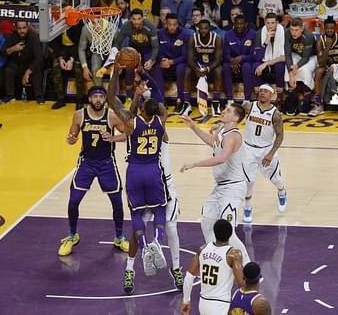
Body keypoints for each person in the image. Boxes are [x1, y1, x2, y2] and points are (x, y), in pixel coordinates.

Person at [105, 62, 168, 295]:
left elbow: (111, 96)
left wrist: (117, 73)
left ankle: (144, 248)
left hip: (134, 171)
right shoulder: (161, 118)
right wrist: (144, 73)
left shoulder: (131, 122)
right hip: (153, 170)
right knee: (160, 211)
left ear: (141, 108)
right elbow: (159, 92)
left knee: (136, 214)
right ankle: (157, 243)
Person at [57, 86, 129, 256]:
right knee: (74, 200)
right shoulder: (79, 115)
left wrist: (114, 138)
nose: (98, 99)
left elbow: (128, 133)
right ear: (89, 98)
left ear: (105, 99)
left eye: (101, 97)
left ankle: (119, 236)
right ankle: (72, 235)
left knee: (117, 202)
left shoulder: (111, 115)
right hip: (86, 163)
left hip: (106, 164)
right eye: (95, 96)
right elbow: (72, 138)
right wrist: (71, 139)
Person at [180, 103, 249, 261]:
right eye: (225, 109)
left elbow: (221, 158)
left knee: (228, 232)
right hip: (220, 187)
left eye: (228, 111)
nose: (224, 111)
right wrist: (193, 127)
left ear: (236, 118)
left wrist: (195, 164)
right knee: (207, 222)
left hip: (233, 188)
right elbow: (213, 142)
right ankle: (218, 260)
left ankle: (248, 270)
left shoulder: (233, 136)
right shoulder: (222, 130)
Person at [241, 84, 287, 223]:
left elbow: (280, 136)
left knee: (275, 179)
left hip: (266, 150)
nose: (262, 93)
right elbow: (234, 118)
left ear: (271, 95)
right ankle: (247, 208)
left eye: (265, 91)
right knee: (249, 180)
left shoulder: (276, 114)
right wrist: (220, 127)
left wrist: (271, 154)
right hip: (248, 148)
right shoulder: (248, 107)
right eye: (260, 91)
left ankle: (282, 191)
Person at [180, 219, 245, 315]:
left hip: (203, 304)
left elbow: (189, 277)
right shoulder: (234, 254)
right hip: (221, 305)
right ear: (231, 234)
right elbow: (241, 284)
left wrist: (186, 301)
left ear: (214, 232)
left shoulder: (203, 249)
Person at [184, 19, 223, 121]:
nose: (203, 31)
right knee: (187, 71)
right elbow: (190, 58)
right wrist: (196, 69)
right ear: (198, 29)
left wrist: (208, 68)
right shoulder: (193, 38)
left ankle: (216, 102)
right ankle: (187, 103)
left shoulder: (217, 39)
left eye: (205, 29)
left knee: (219, 71)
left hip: (211, 67)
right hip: (198, 66)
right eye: (201, 29)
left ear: (209, 28)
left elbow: (218, 59)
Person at [311, 16, 338, 118]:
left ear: (335, 28)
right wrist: (327, 47)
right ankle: (318, 105)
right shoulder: (320, 41)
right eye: (327, 28)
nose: (329, 30)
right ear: (324, 29)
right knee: (319, 72)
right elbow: (320, 62)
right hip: (326, 66)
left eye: (332, 28)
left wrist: (337, 66)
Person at [155, 13, 191, 114]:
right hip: (165, 62)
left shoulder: (185, 35)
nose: (172, 27)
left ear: (178, 24)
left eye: (174, 24)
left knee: (181, 69)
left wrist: (172, 62)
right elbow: (157, 51)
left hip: (179, 62)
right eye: (169, 24)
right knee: (156, 68)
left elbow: (185, 56)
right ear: (165, 24)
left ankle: (180, 101)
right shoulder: (159, 34)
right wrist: (162, 59)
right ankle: (161, 101)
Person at [1, 21, 44, 104]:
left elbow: (39, 58)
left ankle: (39, 95)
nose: (22, 31)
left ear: (27, 27)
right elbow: (3, 52)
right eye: (19, 28)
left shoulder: (33, 37)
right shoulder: (12, 36)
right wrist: (13, 48)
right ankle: (10, 95)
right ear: (15, 28)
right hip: (16, 63)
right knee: (8, 70)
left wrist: (27, 72)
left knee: (37, 69)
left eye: (24, 28)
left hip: (30, 63)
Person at [284, 18, 317, 115]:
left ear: (302, 28)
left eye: (296, 30)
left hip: (311, 57)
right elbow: (288, 55)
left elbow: (306, 58)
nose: (294, 33)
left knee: (305, 71)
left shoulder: (308, 35)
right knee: (287, 69)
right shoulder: (287, 33)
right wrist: (291, 72)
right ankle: (292, 99)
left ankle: (306, 102)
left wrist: (296, 67)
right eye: (292, 30)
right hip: (296, 55)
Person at [252, 13, 286, 108]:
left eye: (272, 23)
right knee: (255, 66)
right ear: (264, 22)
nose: (270, 26)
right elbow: (258, 57)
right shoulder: (259, 33)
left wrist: (266, 64)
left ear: (277, 23)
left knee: (280, 66)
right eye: (268, 23)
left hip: (278, 61)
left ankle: (279, 98)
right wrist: (266, 42)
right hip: (265, 61)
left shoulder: (285, 32)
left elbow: (285, 57)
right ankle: (257, 97)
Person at [222, 14, 257, 103]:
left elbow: (254, 54)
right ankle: (229, 100)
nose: (239, 26)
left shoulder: (253, 34)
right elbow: (225, 54)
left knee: (246, 67)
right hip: (232, 60)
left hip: (247, 61)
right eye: (237, 24)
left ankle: (247, 100)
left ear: (246, 24)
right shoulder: (228, 34)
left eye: (241, 24)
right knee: (226, 67)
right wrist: (232, 61)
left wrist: (241, 58)